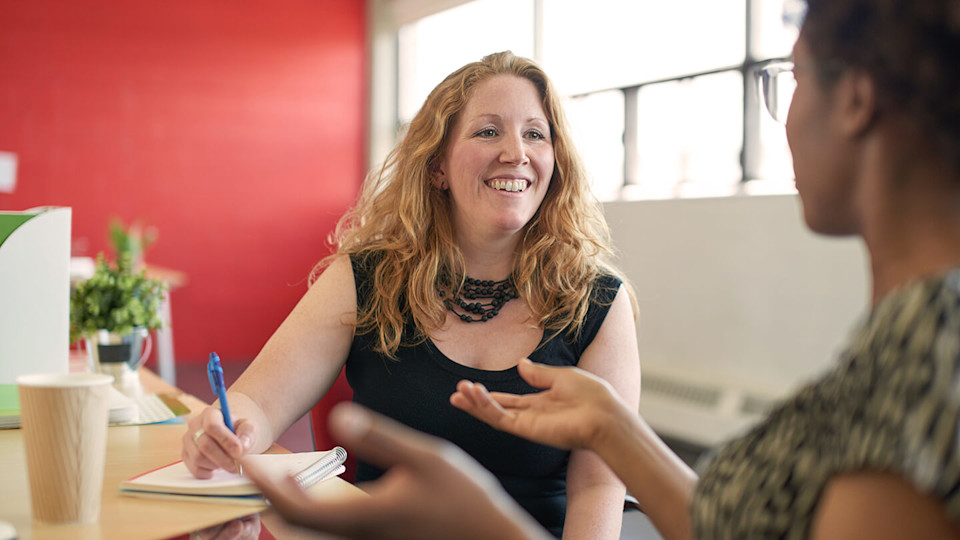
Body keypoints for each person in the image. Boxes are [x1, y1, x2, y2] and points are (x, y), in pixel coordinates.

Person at [244, 0, 960, 538]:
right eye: (487, 132)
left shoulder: (930, 347)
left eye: (792, 78)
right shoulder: (902, 338)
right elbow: (729, 526)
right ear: (436, 166)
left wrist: (490, 524)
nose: (784, 113)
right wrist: (617, 431)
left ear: (857, 101)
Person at [182, 51, 641, 539]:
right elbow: (256, 401)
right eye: (488, 131)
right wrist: (227, 433)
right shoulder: (367, 278)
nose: (516, 152)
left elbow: (598, 488)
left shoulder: (596, 303)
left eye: (535, 134)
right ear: (438, 166)